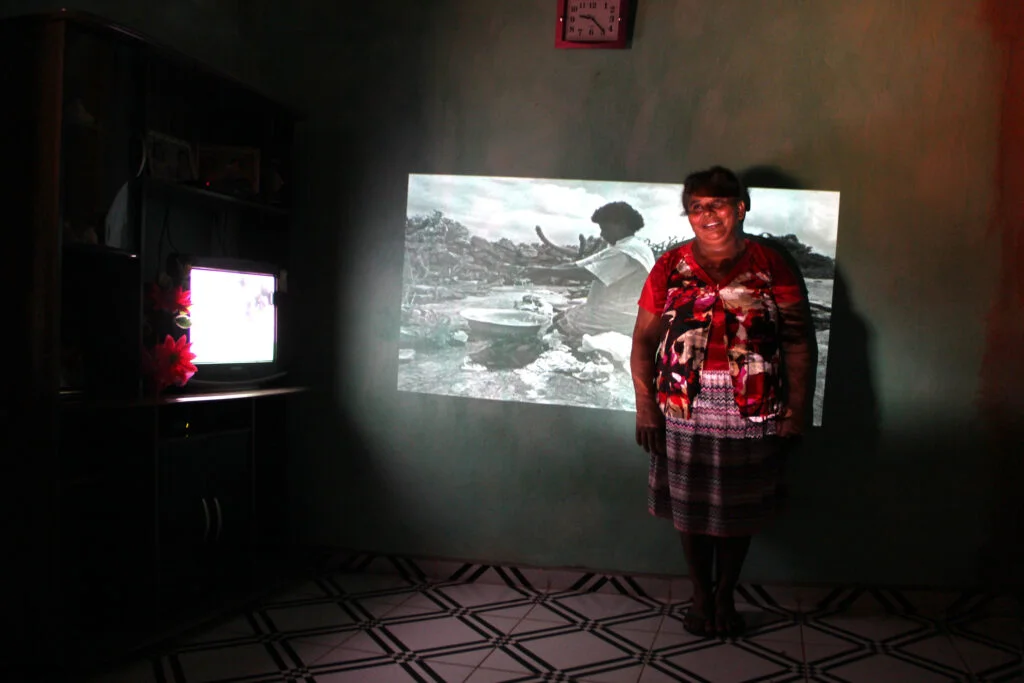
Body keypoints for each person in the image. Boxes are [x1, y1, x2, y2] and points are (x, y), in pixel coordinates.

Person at [630, 167, 813, 638]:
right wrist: (646, 405)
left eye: (717, 205)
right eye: (696, 207)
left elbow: (797, 340)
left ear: (740, 208)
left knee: (738, 509)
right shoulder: (670, 265)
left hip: (752, 407)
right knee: (690, 509)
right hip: (682, 407)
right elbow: (642, 341)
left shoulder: (771, 264)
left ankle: (726, 593)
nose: (706, 215)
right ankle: (699, 594)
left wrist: (797, 408)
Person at [525, 201, 655, 339]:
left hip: (622, 315)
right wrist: (546, 270)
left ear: (621, 225)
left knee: (554, 329)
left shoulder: (628, 251)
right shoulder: (621, 247)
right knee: (559, 318)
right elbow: (579, 265)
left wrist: (547, 272)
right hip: (614, 312)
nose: (602, 234)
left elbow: (588, 273)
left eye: (605, 229)